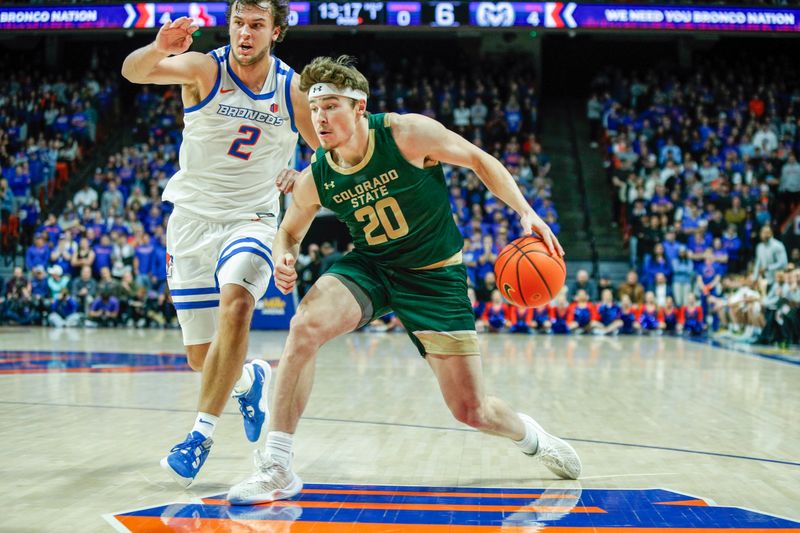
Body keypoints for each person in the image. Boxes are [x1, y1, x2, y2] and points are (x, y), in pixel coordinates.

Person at [227, 56, 581, 504]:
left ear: (359, 108)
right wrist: (284, 257)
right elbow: (290, 230)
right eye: (315, 109)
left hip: (434, 279)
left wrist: (525, 212)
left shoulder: (406, 133)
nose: (320, 118)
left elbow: (477, 159)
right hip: (373, 267)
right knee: (303, 327)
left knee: (471, 410)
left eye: (331, 106)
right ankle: (277, 465)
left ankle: (532, 437)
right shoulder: (317, 173)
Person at [121, 0, 319, 487]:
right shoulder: (205, 69)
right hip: (191, 220)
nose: (244, 33)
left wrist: (306, 173)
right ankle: (249, 379)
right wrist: (158, 47)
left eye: (256, 25)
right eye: (238, 23)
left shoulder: (292, 91)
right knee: (199, 357)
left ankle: (199, 436)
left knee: (237, 304)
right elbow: (133, 73)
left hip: (252, 219)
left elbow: (331, 149)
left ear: (276, 32)